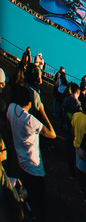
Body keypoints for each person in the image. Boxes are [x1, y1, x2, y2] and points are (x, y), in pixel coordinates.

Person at [6, 85, 56, 221]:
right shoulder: (30, 120)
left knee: (27, 192)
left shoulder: (11, 109)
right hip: (34, 166)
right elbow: (52, 134)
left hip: (21, 160)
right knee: (39, 199)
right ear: (29, 102)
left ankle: (27, 211)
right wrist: (42, 111)